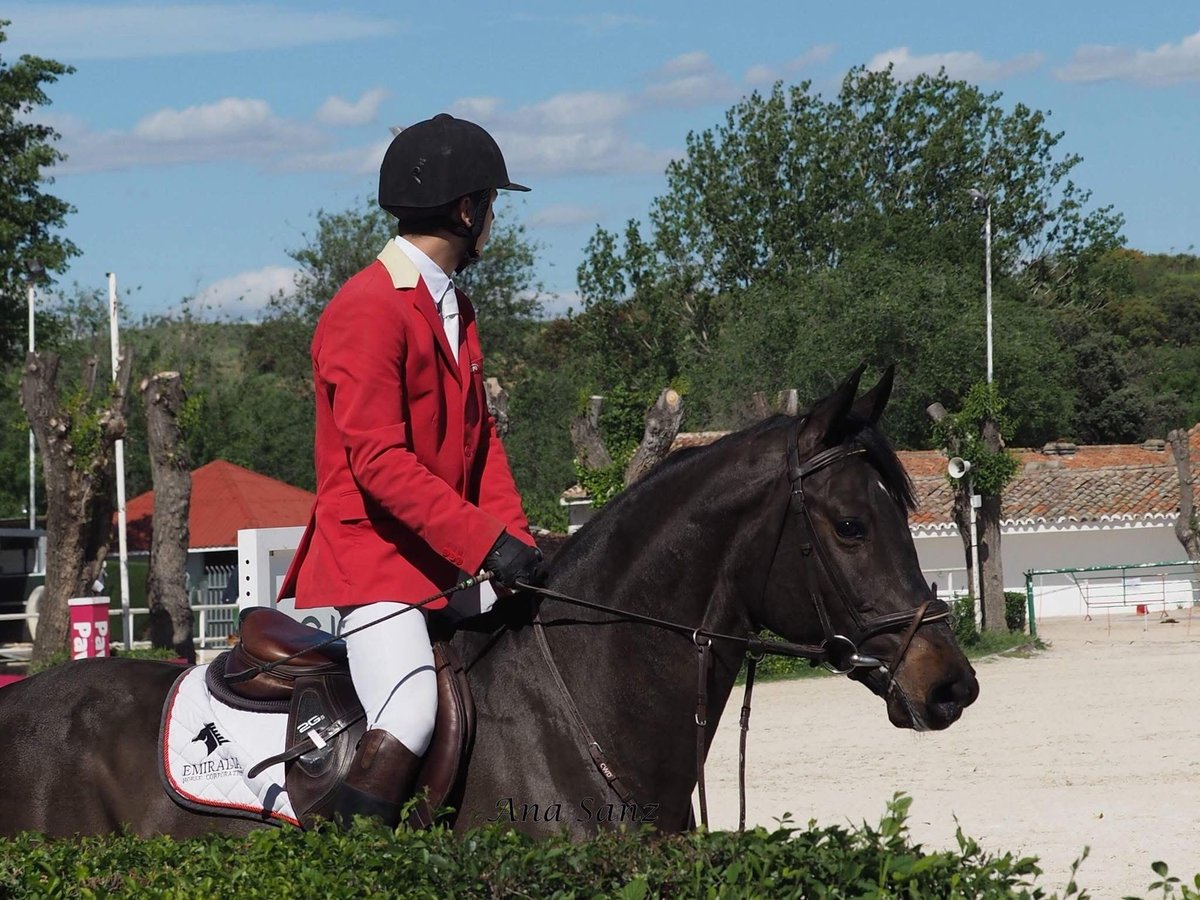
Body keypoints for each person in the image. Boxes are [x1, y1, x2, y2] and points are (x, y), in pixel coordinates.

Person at [278, 113, 542, 827]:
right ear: (466, 210)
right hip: (376, 563)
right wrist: (487, 546)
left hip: (441, 561)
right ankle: (351, 865)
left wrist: (521, 546)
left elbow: (480, 448)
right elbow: (380, 464)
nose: (493, 220)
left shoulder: (455, 304)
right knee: (413, 708)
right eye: (490, 204)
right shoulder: (367, 307)